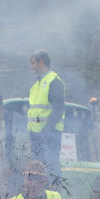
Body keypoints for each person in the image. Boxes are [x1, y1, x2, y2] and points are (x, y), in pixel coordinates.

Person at [27, 51, 64, 185]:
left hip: (49, 134)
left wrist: (47, 130)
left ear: (41, 62)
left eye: (33, 63)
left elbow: (58, 108)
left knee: (51, 166)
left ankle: (54, 194)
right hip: (36, 135)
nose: (31, 67)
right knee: (38, 169)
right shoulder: (35, 86)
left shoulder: (54, 81)